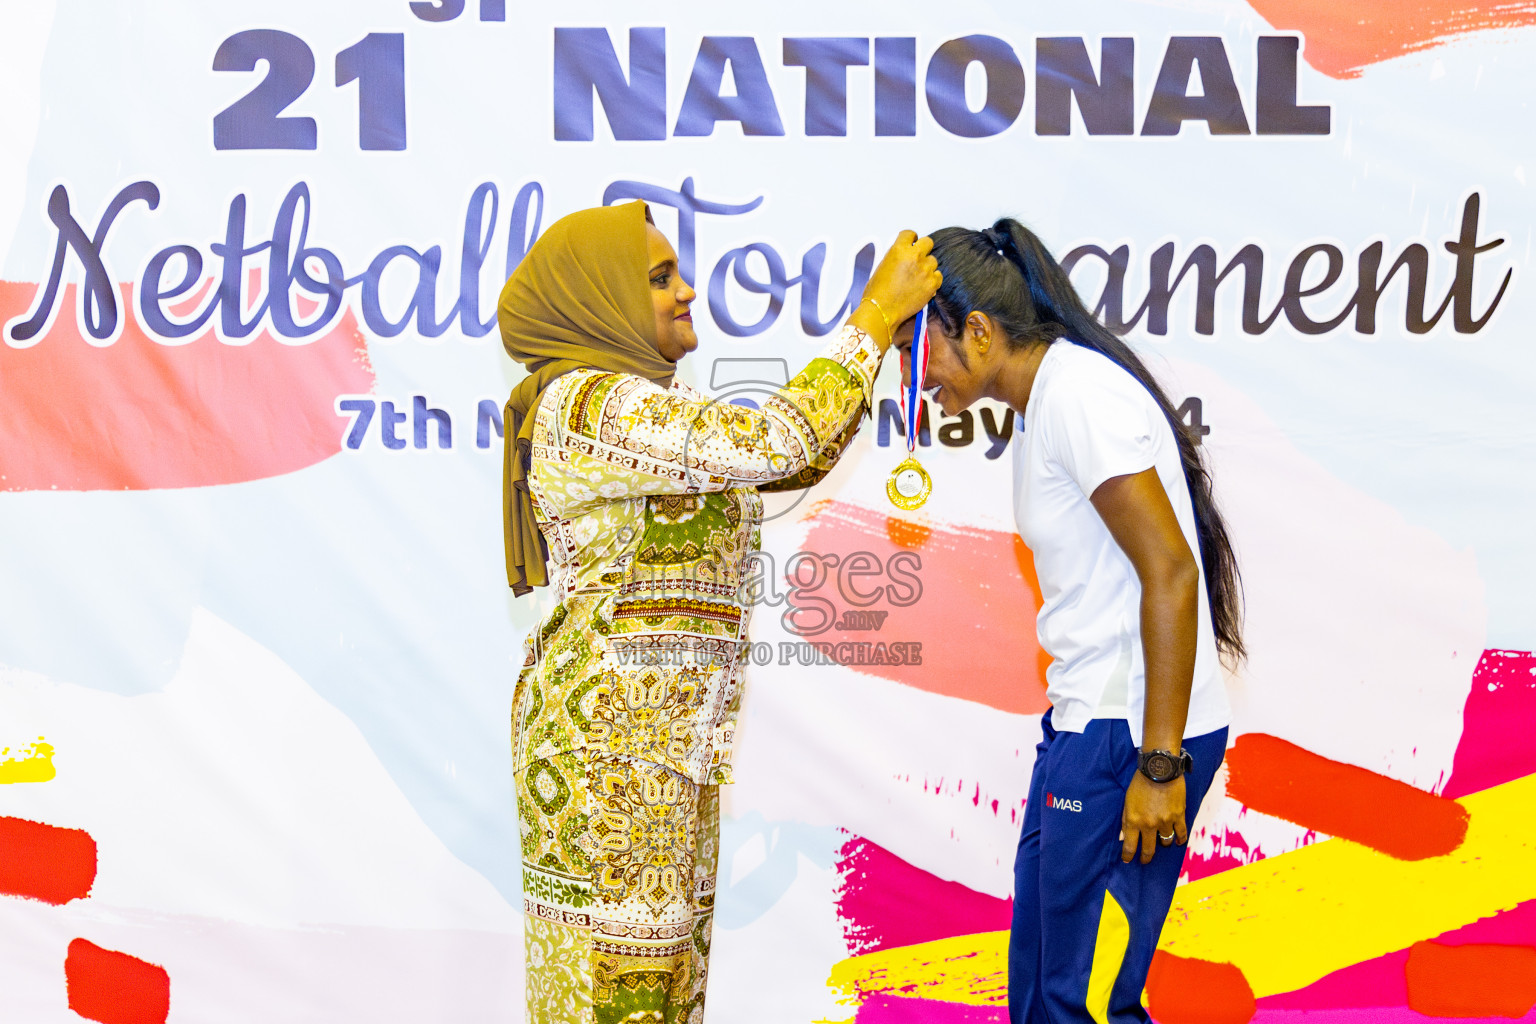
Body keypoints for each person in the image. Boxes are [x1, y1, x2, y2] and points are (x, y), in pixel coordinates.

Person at [497, 199, 939, 1024]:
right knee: (614, 999)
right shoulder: (589, 406)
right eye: (660, 277)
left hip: (663, 754)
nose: (688, 291)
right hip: (609, 755)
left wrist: (879, 349)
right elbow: (777, 439)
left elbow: (791, 458)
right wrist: (874, 316)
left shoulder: (643, 409)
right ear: (599, 294)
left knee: (666, 995)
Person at [899, 218, 1244, 1024]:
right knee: (1046, 989)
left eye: (921, 357)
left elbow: (1170, 571)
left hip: (1126, 736)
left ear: (977, 331)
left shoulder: (1078, 397)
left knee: (1075, 1003)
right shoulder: (1049, 399)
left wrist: (1158, 767)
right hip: (1091, 725)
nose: (919, 384)